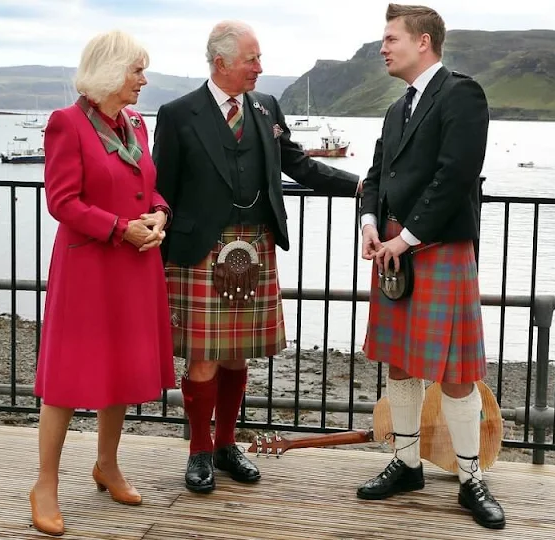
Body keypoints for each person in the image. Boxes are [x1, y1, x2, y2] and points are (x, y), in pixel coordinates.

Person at [152, 20, 360, 494]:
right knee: (203, 357)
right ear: (221, 62)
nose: (259, 69)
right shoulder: (179, 113)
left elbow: (299, 163)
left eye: (259, 59)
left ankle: (227, 445)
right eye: (252, 60)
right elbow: (162, 188)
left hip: (255, 243)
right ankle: (199, 451)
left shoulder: (266, 108)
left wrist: (357, 185)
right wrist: (154, 245)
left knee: (237, 354)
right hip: (200, 248)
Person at [358, 3, 506, 530]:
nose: (383, 47)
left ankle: (470, 478)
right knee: (399, 361)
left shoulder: (460, 94)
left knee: (456, 372)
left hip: (436, 248)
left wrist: (410, 237)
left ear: (423, 41)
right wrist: (371, 223)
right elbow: (375, 174)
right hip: (395, 247)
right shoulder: (398, 108)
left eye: (391, 37)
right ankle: (407, 463)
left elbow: (457, 172)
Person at [30, 30, 175, 536]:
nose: (144, 80)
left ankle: (106, 465)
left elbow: (148, 185)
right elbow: (62, 201)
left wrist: (158, 214)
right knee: (67, 379)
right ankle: (44, 484)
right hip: (89, 268)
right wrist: (120, 228)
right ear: (111, 72)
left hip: (135, 263)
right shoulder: (66, 124)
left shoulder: (135, 122)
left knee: (119, 369)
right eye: (137, 70)